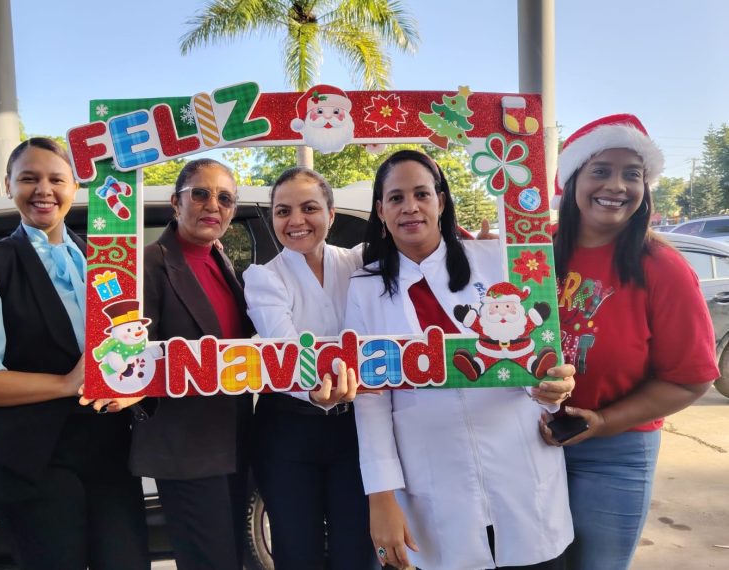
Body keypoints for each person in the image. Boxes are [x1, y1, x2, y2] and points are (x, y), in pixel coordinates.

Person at [346, 149, 576, 570]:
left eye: (421, 194)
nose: (410, 207)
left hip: (519, 462)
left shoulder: (497, 260)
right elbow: (370, 397)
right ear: (380, 211)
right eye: (396, 198)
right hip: (433, 476)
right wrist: (380, 496)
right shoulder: (364, 287)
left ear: (441, 200)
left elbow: (534, 359)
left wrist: (550, 387)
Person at [0, 138, 150, 570]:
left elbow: (128, 349)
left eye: (56, 179)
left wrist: (131, 386)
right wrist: (66, 383)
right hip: (30, 458)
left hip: (109, 449)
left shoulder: (104, 259)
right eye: (29, 179)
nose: (44, 190)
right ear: (8, 185)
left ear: (75, 186)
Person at [544, 114, 718, 570]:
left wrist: (604, 421)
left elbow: (690, 379)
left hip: (613, 453)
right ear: (573, 179)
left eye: (632, 174)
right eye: (601, 170)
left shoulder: (663, 267)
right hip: (528, 445)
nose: (617, 186)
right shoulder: (533, 252)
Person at [91, 158, 253, 570]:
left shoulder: (219, 260)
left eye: (225, 198)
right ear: (175, 202)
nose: (213, 205)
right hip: (186, 446)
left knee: (232, 558)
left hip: (233, 439)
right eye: (200, 193)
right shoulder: (147, 264)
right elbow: (130, 354)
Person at [243, 167, 373, 569]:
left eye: (309, 208)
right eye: (283, 211)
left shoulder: (359, 262)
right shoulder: (264, 277)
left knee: (357, 549)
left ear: (331, 214)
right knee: (297, 550)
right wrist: (313, 388)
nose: (296, 220)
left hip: (356, 426)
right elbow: (284, 349)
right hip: (288, 429)